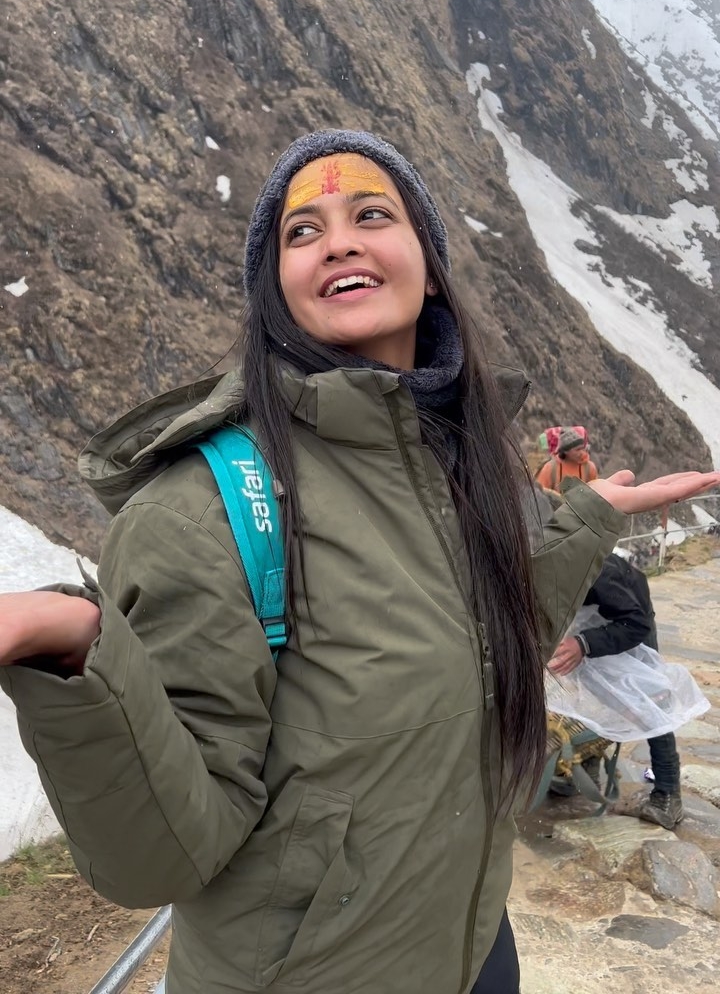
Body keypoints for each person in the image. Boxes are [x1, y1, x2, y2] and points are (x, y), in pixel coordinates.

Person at [1, 130, 717, 994]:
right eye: (302, 232)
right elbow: (161, 855)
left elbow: (486, 655)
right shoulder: (206, 509)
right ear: (278, 292)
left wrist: (591, 516)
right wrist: (74, 653)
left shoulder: (458, 464)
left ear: (427, 258)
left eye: (372, 214)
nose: (338, 240)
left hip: (472, 947)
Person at [548, 549, 684, 829]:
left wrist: (584, 644)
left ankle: (668, 795)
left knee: (647, 704)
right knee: (592, 694)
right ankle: (585, 768)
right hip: (590, 616)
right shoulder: (540, 559)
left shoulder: (598, 570)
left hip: (630, 619)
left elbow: (636, 623)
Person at [535, 427, 598, 491]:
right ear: (566, 452)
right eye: (577, 450)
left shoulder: (589, 467)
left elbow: (595, 492)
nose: (582, 452)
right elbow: (540, 492)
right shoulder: (551, 468)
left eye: (582, 448)